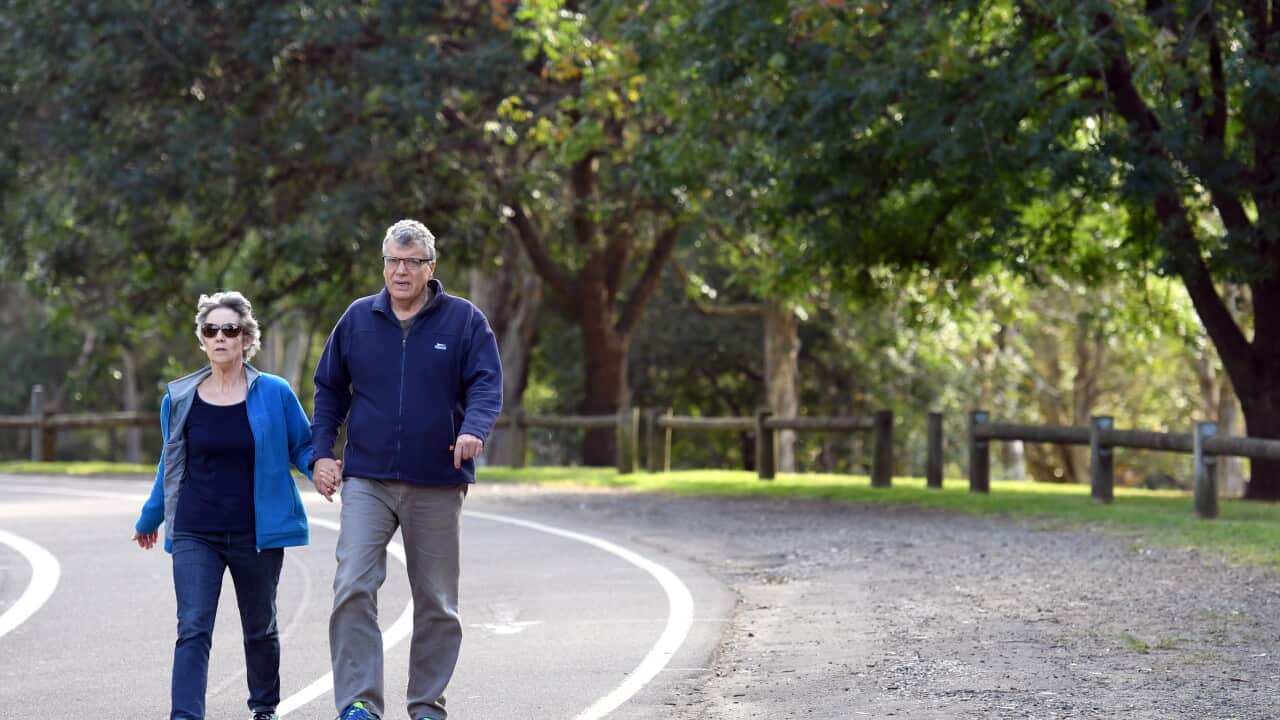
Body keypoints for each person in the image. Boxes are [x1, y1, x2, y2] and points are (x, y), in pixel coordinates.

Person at [311, 219, 502, 720]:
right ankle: (359, 704)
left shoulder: (463, 321)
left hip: (437, 479)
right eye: (393, 260)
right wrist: (321, 453)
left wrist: (474, 430)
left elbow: (486, 384)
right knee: (352, 585)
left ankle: (426, 706)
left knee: (437, 601)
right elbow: (329, 389)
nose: (400, 270)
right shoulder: (357, 319)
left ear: (429, 268)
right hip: (367, 478)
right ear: (384, 263)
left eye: (411, 261)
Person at [134, 291, 318, 720]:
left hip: (257, 532)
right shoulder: (179, 400)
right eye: (210, 330)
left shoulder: (274, 393)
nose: (220, 337)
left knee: (260, 627)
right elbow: (170, 463)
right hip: (197, 530)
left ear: (246, 338)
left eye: (229, 330)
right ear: (201, 339)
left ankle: (264, 707)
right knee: (193, 628)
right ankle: (185, 715)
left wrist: (321, 470)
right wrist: (150, 516)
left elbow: (303, 446)